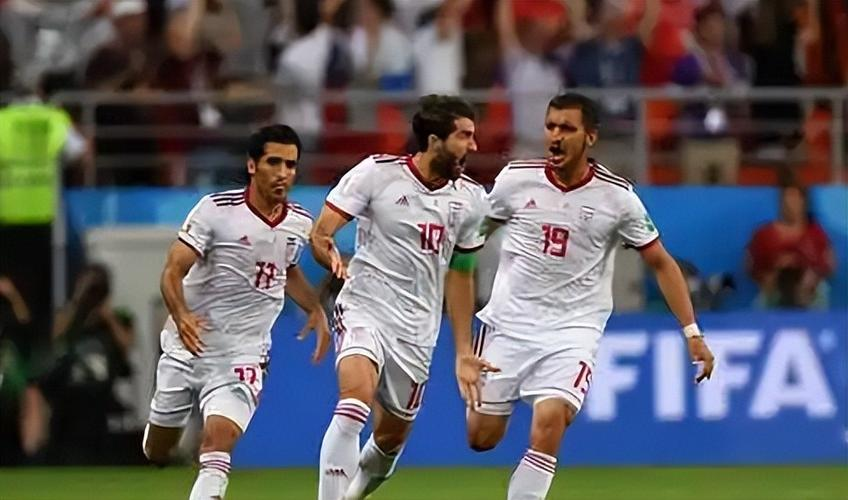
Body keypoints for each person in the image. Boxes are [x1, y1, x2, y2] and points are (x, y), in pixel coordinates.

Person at [467, 93, 716, 500]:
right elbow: (472, 239)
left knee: (551, 420)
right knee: (481, 437)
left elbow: (661, 263)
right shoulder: (516, 180)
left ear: (590, 137)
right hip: (508, 324)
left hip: (572, 331)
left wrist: (692, 332)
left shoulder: (617, 198)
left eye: (567, 128)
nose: (555, 136)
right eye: (551, 126)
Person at [310, 94, 495, 500]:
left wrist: (463, 350)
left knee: (390, 439)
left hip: (417, 329)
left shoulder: (472, 200)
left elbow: (461, 273)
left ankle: (352, 494)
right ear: (434, 140)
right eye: (464, 136)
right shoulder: (376, 174)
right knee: (354, 402)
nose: (474, 145)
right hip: (365, 307)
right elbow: (321, 233)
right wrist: (329, 254)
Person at [142, 124, 331, 500]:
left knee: (219, 440)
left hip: (244, 353)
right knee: (158, 449)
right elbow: (172, 271)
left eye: (291, 165)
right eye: (274, 162)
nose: (283, 173)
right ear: (252, 165)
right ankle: (159, 440)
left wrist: (315, 308)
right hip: (189, 344)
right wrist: (182, 315)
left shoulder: (299, 223)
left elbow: (285, 268)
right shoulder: (215, 211)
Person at [747, 184, 835, 309]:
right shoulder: (764, 234)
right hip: (773, 290)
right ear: (781, 203)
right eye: (786, 200)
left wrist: (811, 275)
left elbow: (830, 264)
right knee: (761, 302)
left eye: (795, 200)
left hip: (809, 291)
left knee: (821, 288)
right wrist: (769, 276)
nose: (790, 205)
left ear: (804, 202)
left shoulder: (816, 234)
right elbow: (751, 265)